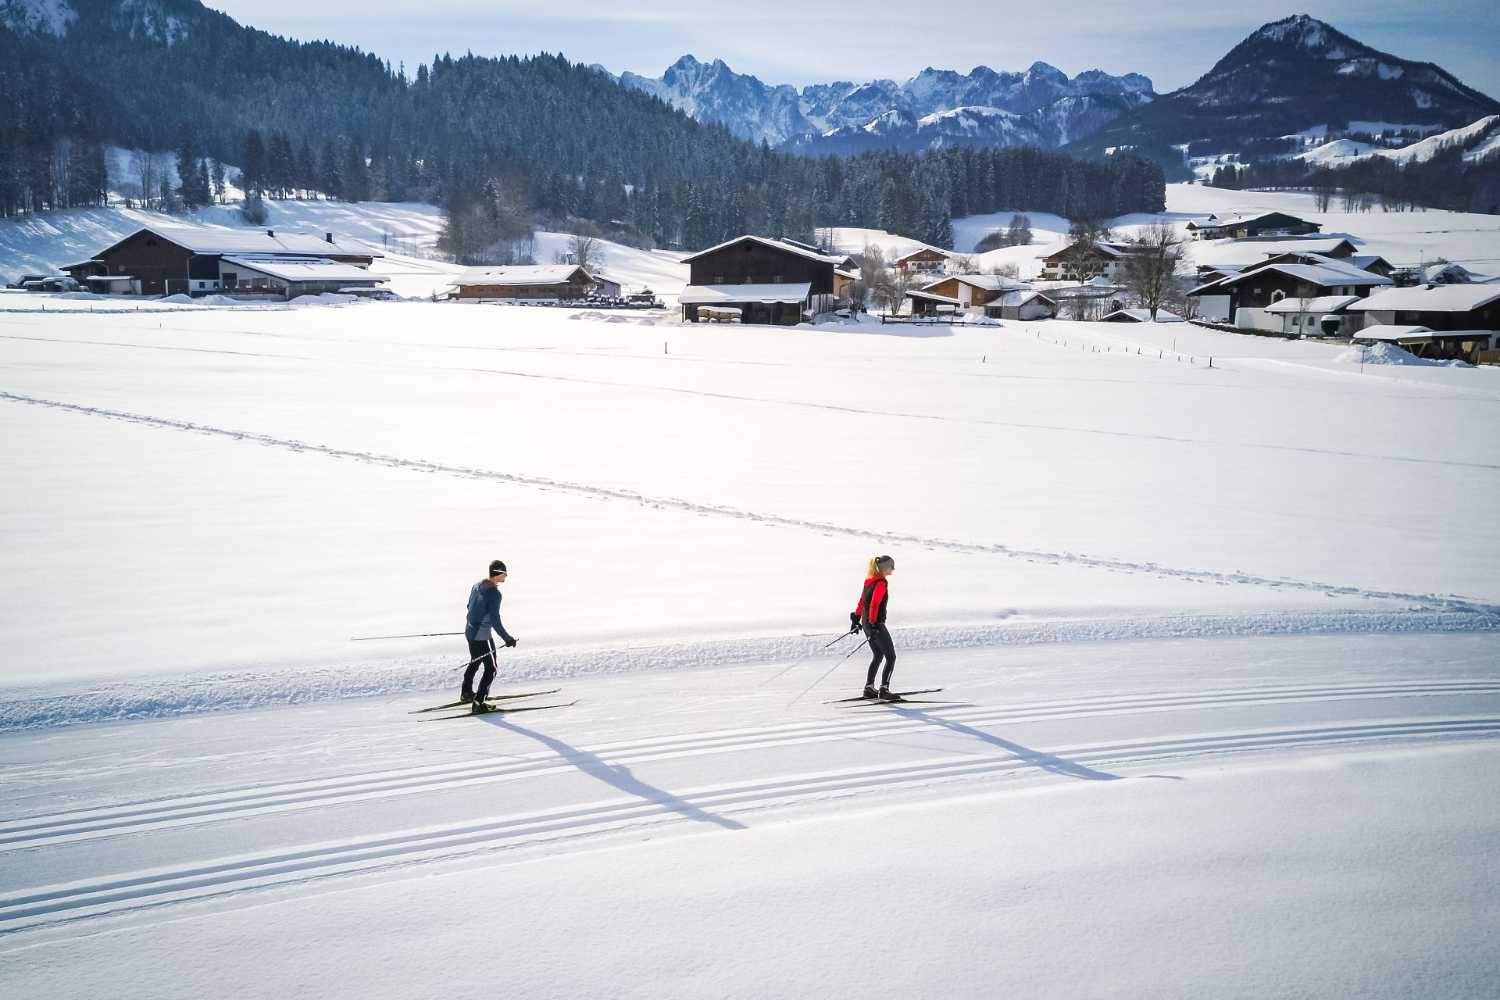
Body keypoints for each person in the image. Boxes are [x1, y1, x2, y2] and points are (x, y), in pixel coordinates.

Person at [463, 559, 518, 714]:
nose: (506, 577)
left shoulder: (477, 585)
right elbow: (495, 620)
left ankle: (466, 693)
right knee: (492, 668)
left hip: (469, 631)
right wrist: (507, 638)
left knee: (475, 661)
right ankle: (479, 702)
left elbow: (469, 606)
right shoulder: (494, 594)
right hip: (482, 636)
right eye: (505, 574)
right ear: (498, 573)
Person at [851, 555, 898, 701]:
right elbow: (874, 604)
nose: (893, 569)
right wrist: (873, 624)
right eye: (891, 566)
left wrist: (856, 620)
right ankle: (884, 689)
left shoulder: (869, 580)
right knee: (891, 656)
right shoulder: (881, 583)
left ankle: (869, 688)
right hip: (874, 623)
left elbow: (861, 602)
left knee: (878, 655)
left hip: (866, 623)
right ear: (885, 568)